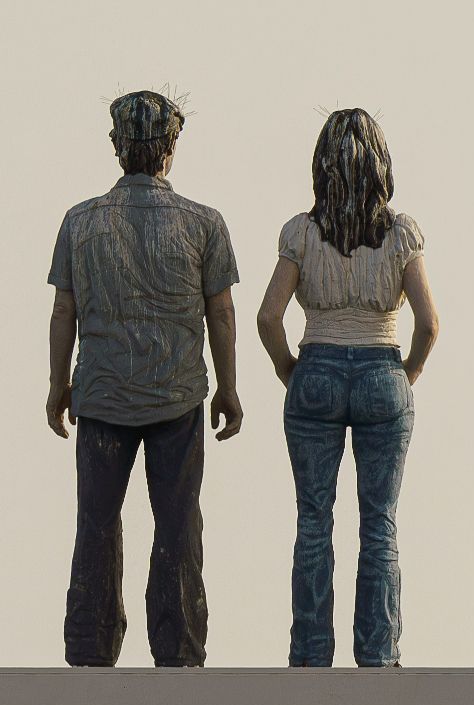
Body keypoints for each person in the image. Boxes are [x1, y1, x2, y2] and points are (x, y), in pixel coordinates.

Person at [47, 90, 244, 667]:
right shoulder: (204, 223)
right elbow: (222, 313)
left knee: (96, 525)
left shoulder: (80, 221)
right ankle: (178, 651)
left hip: (101, 396)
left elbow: (63, 311)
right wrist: (228, 387)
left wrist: (58, 385)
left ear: (117, 147)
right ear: (170, 150)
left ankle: (90, 647)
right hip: (177, 397)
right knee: (178, 526)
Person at [255, 108, 440, 667]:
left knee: (313, 520)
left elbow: (268, 317)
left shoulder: (301, 233)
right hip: (383, 368)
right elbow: (429, 324)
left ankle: (311, 655)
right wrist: (406, 374)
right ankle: (378, 655)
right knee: (379, 524)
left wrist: (290, 371)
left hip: (316, 367)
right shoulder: (401, 234)